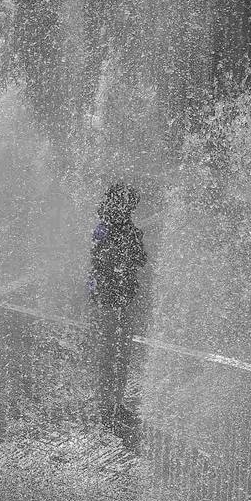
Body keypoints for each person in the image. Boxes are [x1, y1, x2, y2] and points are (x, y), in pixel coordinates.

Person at [88, 181, 147, 450]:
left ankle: (113, 403)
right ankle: (109, 406)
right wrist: (131, 244)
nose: (131, 210)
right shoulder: (114, 230)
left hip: (114, 300)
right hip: (113, 302)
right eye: (129, 205)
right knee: (114, 353)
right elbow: (136, 259)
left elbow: (137, 259)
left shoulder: (111, 228)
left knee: (116, 354)